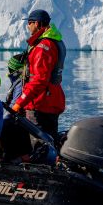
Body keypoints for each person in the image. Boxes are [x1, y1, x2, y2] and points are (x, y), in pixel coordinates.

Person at [10, 9, 66, 138]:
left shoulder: (43, 47)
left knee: (40, 145)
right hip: (52, 100)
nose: (28, 26)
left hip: (40, 104)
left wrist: (19, 103)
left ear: (37, 23)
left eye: (29, 23)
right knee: (50, 141)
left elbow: (39, 80)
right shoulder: (55, 41)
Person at [0, 52, 32, 162]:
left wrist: (1, 122)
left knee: (3, 126)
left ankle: (13, 159)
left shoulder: (20, 84)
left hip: (18, 123)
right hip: (20, 121)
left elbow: (15, 106)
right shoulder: (19, 82)